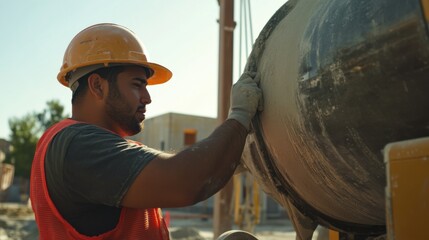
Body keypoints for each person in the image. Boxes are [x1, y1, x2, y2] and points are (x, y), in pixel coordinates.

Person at [30, 23, 262, 239]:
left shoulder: (80, 144)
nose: (147, 98)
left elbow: (176, 167)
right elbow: (185, 182)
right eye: (136, 84)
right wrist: (239, 117)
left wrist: (229, 154)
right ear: (98, 85)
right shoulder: (80, 146)